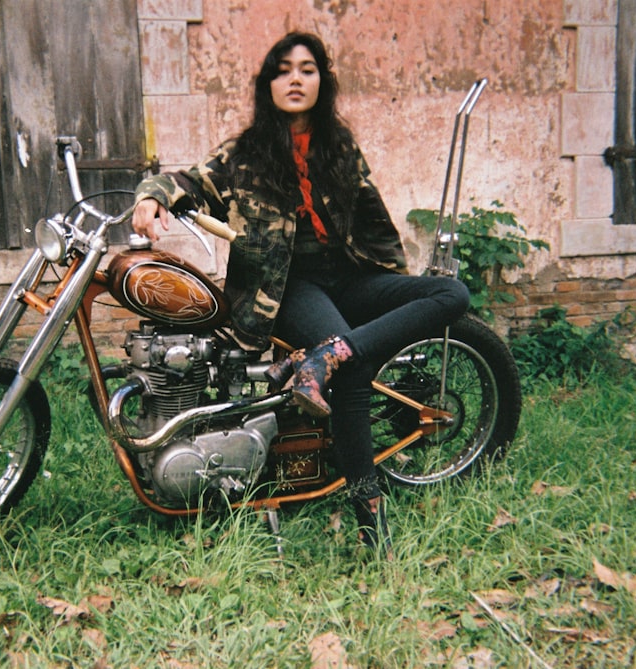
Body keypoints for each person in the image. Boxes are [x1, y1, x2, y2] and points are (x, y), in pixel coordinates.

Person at [132, 32, 470, 551]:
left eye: (307, 69)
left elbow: (374, 220)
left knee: (453, 295)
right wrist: (153, 197)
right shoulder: (243, 155)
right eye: (283, 69)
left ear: (322, 82)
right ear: (268, 83)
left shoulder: (339, 148)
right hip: (287, 288)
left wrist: (395, 282)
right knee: (353, 372)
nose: (295, 78)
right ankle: (368, 512)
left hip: (352, 279)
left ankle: (327, 357)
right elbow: (187, 181)